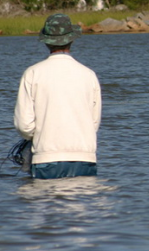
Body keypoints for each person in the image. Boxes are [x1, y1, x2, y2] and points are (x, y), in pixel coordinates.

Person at [14, 13, 101, 179]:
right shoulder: (89, 75)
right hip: (85, 159)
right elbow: (93, 123)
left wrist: (44, 133)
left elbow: (24, 126)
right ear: (72, 40)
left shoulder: (32, 73)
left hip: (46, 160)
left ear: (46, 42)